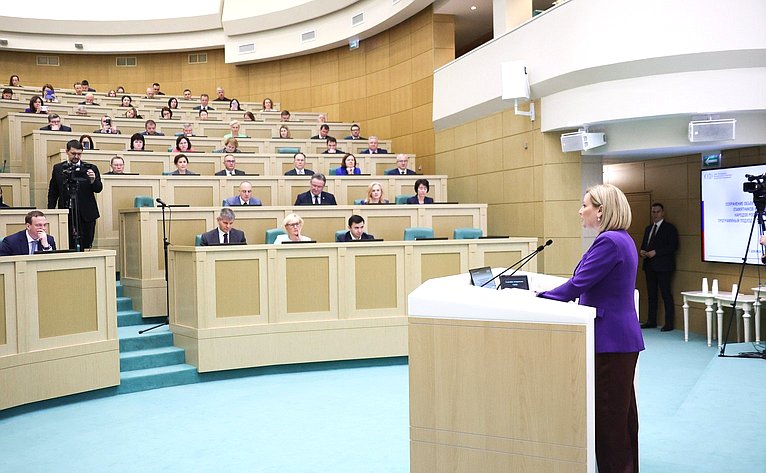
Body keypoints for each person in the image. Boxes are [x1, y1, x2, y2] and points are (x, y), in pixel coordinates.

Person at [536, 184, 643, 473]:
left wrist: (539, 298)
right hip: (620, 339)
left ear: (601, 210)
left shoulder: (608, 242)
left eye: (585, 205)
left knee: (609, 419)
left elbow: (577, 284)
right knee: (622, 416)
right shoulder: (622, 239)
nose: (580, 211)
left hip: (610, 341)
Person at [47, 140, 103, 250]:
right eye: (73, 153)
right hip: (66, 212)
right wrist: (51, 211)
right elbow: (53, 191)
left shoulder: (91, 168)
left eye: (79, 154)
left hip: (86, 214)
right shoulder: (58, 168)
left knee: (86, 246)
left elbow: (98, 189)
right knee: (68, 245)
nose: (76, 156)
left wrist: (93, 180)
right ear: (67, 151)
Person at [639, 202, 679, 331]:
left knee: (666, 294)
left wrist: (656, 252)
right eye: (653, 212)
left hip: (664, 266)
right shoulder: (648, 228)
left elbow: (673, 246)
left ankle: (669, 323)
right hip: (649, 265)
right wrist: (642, 251)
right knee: (651, 295)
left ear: (663, 213)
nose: (655, 214)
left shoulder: (669, 228)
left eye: (657, 212)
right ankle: (651, 320)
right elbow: (644, 244)